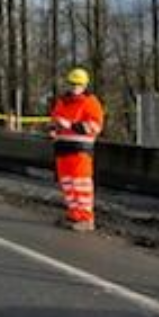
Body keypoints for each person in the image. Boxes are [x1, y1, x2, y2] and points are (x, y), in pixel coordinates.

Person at [49, 68, 104, 231]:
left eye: (78, 84)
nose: (75, 87)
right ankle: (74, 215)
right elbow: (55, 119)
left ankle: (86, 218)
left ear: (85, 85)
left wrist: (71, 126)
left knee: (81, 185)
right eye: (72, 84)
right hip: (62, 148)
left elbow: (95, 126)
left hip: (80, 149)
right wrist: (53, 129)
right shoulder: (62, 101)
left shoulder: (90, 102)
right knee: (67, 184)